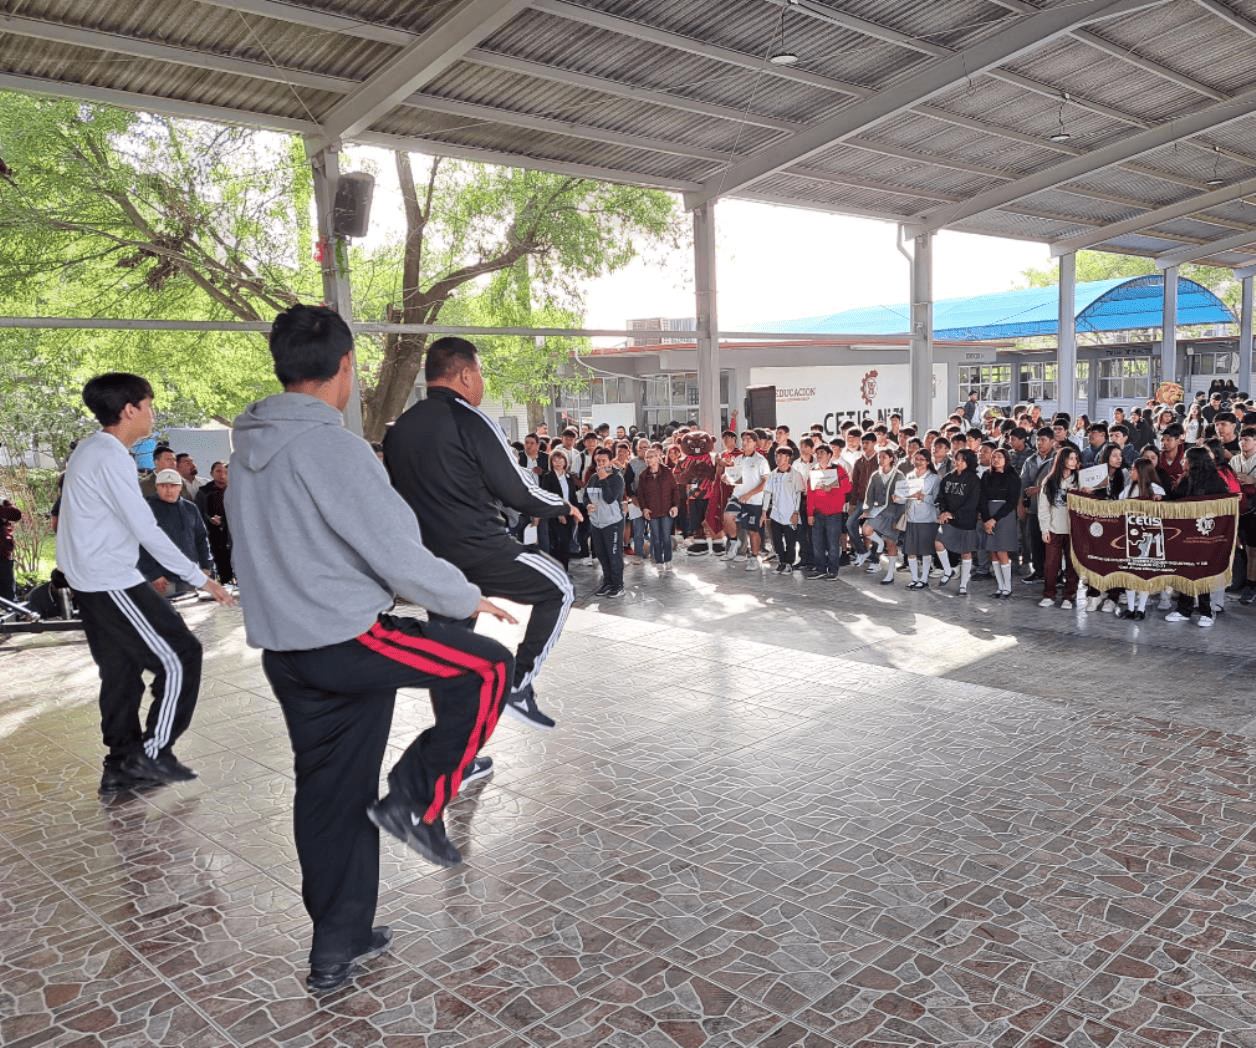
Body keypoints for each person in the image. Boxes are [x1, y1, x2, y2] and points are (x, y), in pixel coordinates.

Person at [227, 305, 516, 995]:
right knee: (488, 666)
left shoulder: (247, 453)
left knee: (330, 792)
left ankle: (338, 941)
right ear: (346, 367)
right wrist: (460, 596)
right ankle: (416, 798)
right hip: (346, 638)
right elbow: (395, 551)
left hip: (287, 652)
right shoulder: (333, 449)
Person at [384, 336, 582, 731]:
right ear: (464, 374)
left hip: (433, 562)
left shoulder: (400, 429)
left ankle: (454, 752)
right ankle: (518, 684)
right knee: (559, 588)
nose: (482, 383)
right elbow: (516, 490)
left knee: (448, 651)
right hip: (482, 550)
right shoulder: (469, 419)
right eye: (480, 373)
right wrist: (563, 505)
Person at [56, 373, 234, 794]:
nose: (152, 414)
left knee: (122, 671)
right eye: (149, 405)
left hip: (94, 580)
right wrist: (200, 578)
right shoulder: (110, 456)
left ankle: (120, 764)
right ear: (129, 410)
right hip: (109, 581)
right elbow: (145, 528)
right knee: (181, 656)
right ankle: (149, 757)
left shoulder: (91, 450)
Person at [1164, 446, 1231, 628]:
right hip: (1184, 535)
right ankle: (1183, 610)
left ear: (1195, 462)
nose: (1182, 462)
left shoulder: (1216, 482)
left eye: (1185, 459)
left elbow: (1225, 506)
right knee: (1185, 571)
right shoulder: (1185, 480)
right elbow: (1174, 502)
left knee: (1202, 573)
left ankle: (1206, 611)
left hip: (1206, 535)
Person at [139, 469, 215, 597]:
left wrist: (206, 566)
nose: (168, 490)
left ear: (180, 487)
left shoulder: (190, 508)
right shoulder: (145, 509)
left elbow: (201, 539)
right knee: (166, 615)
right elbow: (139, 543)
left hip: (189, 576)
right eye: (163, 486)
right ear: (157, 487)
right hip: (162, 579)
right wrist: (153, 574)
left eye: (173, 486)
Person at [1037, 445, 1082, 610]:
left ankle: (1069, 596)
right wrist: (1045, 529)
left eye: (1075, 459)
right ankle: (1049, 594)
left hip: (1074, 530)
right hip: (1054, 529)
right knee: (1051, 564)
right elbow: (1043, 507)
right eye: (1070, 458)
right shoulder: (1049, 481)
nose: (1073, 461)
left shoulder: (1079, 479)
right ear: (1061, 459)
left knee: (1072, 565)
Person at [980, 447, 1022, 599]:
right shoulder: (986, 475)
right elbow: (982, 498)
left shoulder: (1013, 477)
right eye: (993, 457)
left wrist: (994, 519)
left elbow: (1011, 502)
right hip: (988, 513)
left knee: (1002, 551)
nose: (996, 459)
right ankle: (1000, 587)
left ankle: (1007, 587)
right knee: (993, 552)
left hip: (1004, 515)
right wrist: (986, 519)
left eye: (999, 457)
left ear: (1006, 460)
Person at [804, 443, 850, 580]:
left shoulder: (838, 469)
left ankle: (833, 571)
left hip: (834, 514)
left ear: (830, 455)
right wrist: (810, 514)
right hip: (818, 513)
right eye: (817, 453)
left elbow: (848, 487)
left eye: (822, 453)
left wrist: (833, 487)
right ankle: (820, 569)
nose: (819, 456)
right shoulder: (813, 470)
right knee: (817, 543)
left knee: (832, 544)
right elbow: (810, 494)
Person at [896, 451, 940, 590]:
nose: (918, 462)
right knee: (911, 550)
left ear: (928, 461)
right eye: (916, 459)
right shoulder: (909, 476)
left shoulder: (934, 478)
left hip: (927, 519)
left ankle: (924, 579)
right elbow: (905, 496)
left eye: (922, 459)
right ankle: (914, 578)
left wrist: (924, 497)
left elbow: (938, 500)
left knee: (926, 551)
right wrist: (898, 498)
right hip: (911, 518)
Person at [585, 446, 625, 596]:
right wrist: (586, 504)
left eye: (603, 461)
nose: (600, 464)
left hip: (612, 523)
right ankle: (607, 582)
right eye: (598, 461)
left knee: (614, 555)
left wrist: (604, 479)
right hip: (596, 523)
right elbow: (585, 496)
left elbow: (609, 499)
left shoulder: (616, 478)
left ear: (610, 461)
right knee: (602, 554)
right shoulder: (593, 478)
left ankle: (618, 585)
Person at [635, 445, 681, 573]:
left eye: (652, 457)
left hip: (667, 510)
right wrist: (644, 509)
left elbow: (675, 490)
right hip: (652, 512)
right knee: (655, 537)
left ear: (658, 458)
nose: (649, 459)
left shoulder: (667, 472)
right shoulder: (643, 476)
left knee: (666, 536)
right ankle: (659, 561)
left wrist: (675, 506)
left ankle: (668, 560)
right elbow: (641, 495)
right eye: (647, 457)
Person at [537, 449, 578, 572]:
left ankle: (565, 570)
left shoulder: (569, 476)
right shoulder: (548, 477)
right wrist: (559, 513)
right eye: (555, 460)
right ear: (551, 462)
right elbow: (548, 497)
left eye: (561, 459)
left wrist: (575, 512)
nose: (558, 462)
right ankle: (557, 571)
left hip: (569, 514)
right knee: (557, 544)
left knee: (566, 543)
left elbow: (573, 496)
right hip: (555, 515)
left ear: (565, 461)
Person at [195, 461, 233, 585]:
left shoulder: (234, 490)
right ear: (211, 473)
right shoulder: (204, 492)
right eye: (218, 471)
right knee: (223, 573)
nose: (222, 474)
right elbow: (199, 513)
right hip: (214, 538)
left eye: (225, 472)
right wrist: (209, 519)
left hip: (233, 536)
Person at [0, 495, 22, 601]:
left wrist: (4, 503)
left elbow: (16, 515)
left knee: (7, 592)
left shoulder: (3, 506)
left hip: (2, 554)